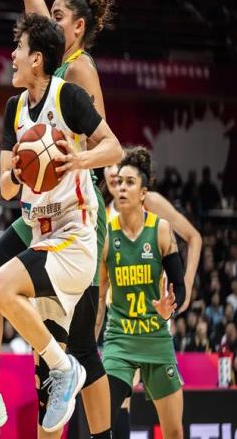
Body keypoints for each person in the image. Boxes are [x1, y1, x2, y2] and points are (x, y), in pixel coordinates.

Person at [0, 13, 121, 438]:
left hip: (74, 235)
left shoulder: (68, 97)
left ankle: (65, 370)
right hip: (40, 230)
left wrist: (78, 159)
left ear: (37, 58)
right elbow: (6, 189)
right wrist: (21, 171)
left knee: (2, 288)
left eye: (18, 49)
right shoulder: (15, 108)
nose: (12, 55)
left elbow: (114, 148)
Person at [100, 161, 201, 437]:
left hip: (154, 327)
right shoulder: (104, 222)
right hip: (120, 332)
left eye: (128, 180)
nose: (120, 183)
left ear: (142, 191)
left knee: (173, 430)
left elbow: (193, 240)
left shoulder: (157, 218)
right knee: (108, 414)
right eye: (117, 178)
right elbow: (98, 295)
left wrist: (178, 299)